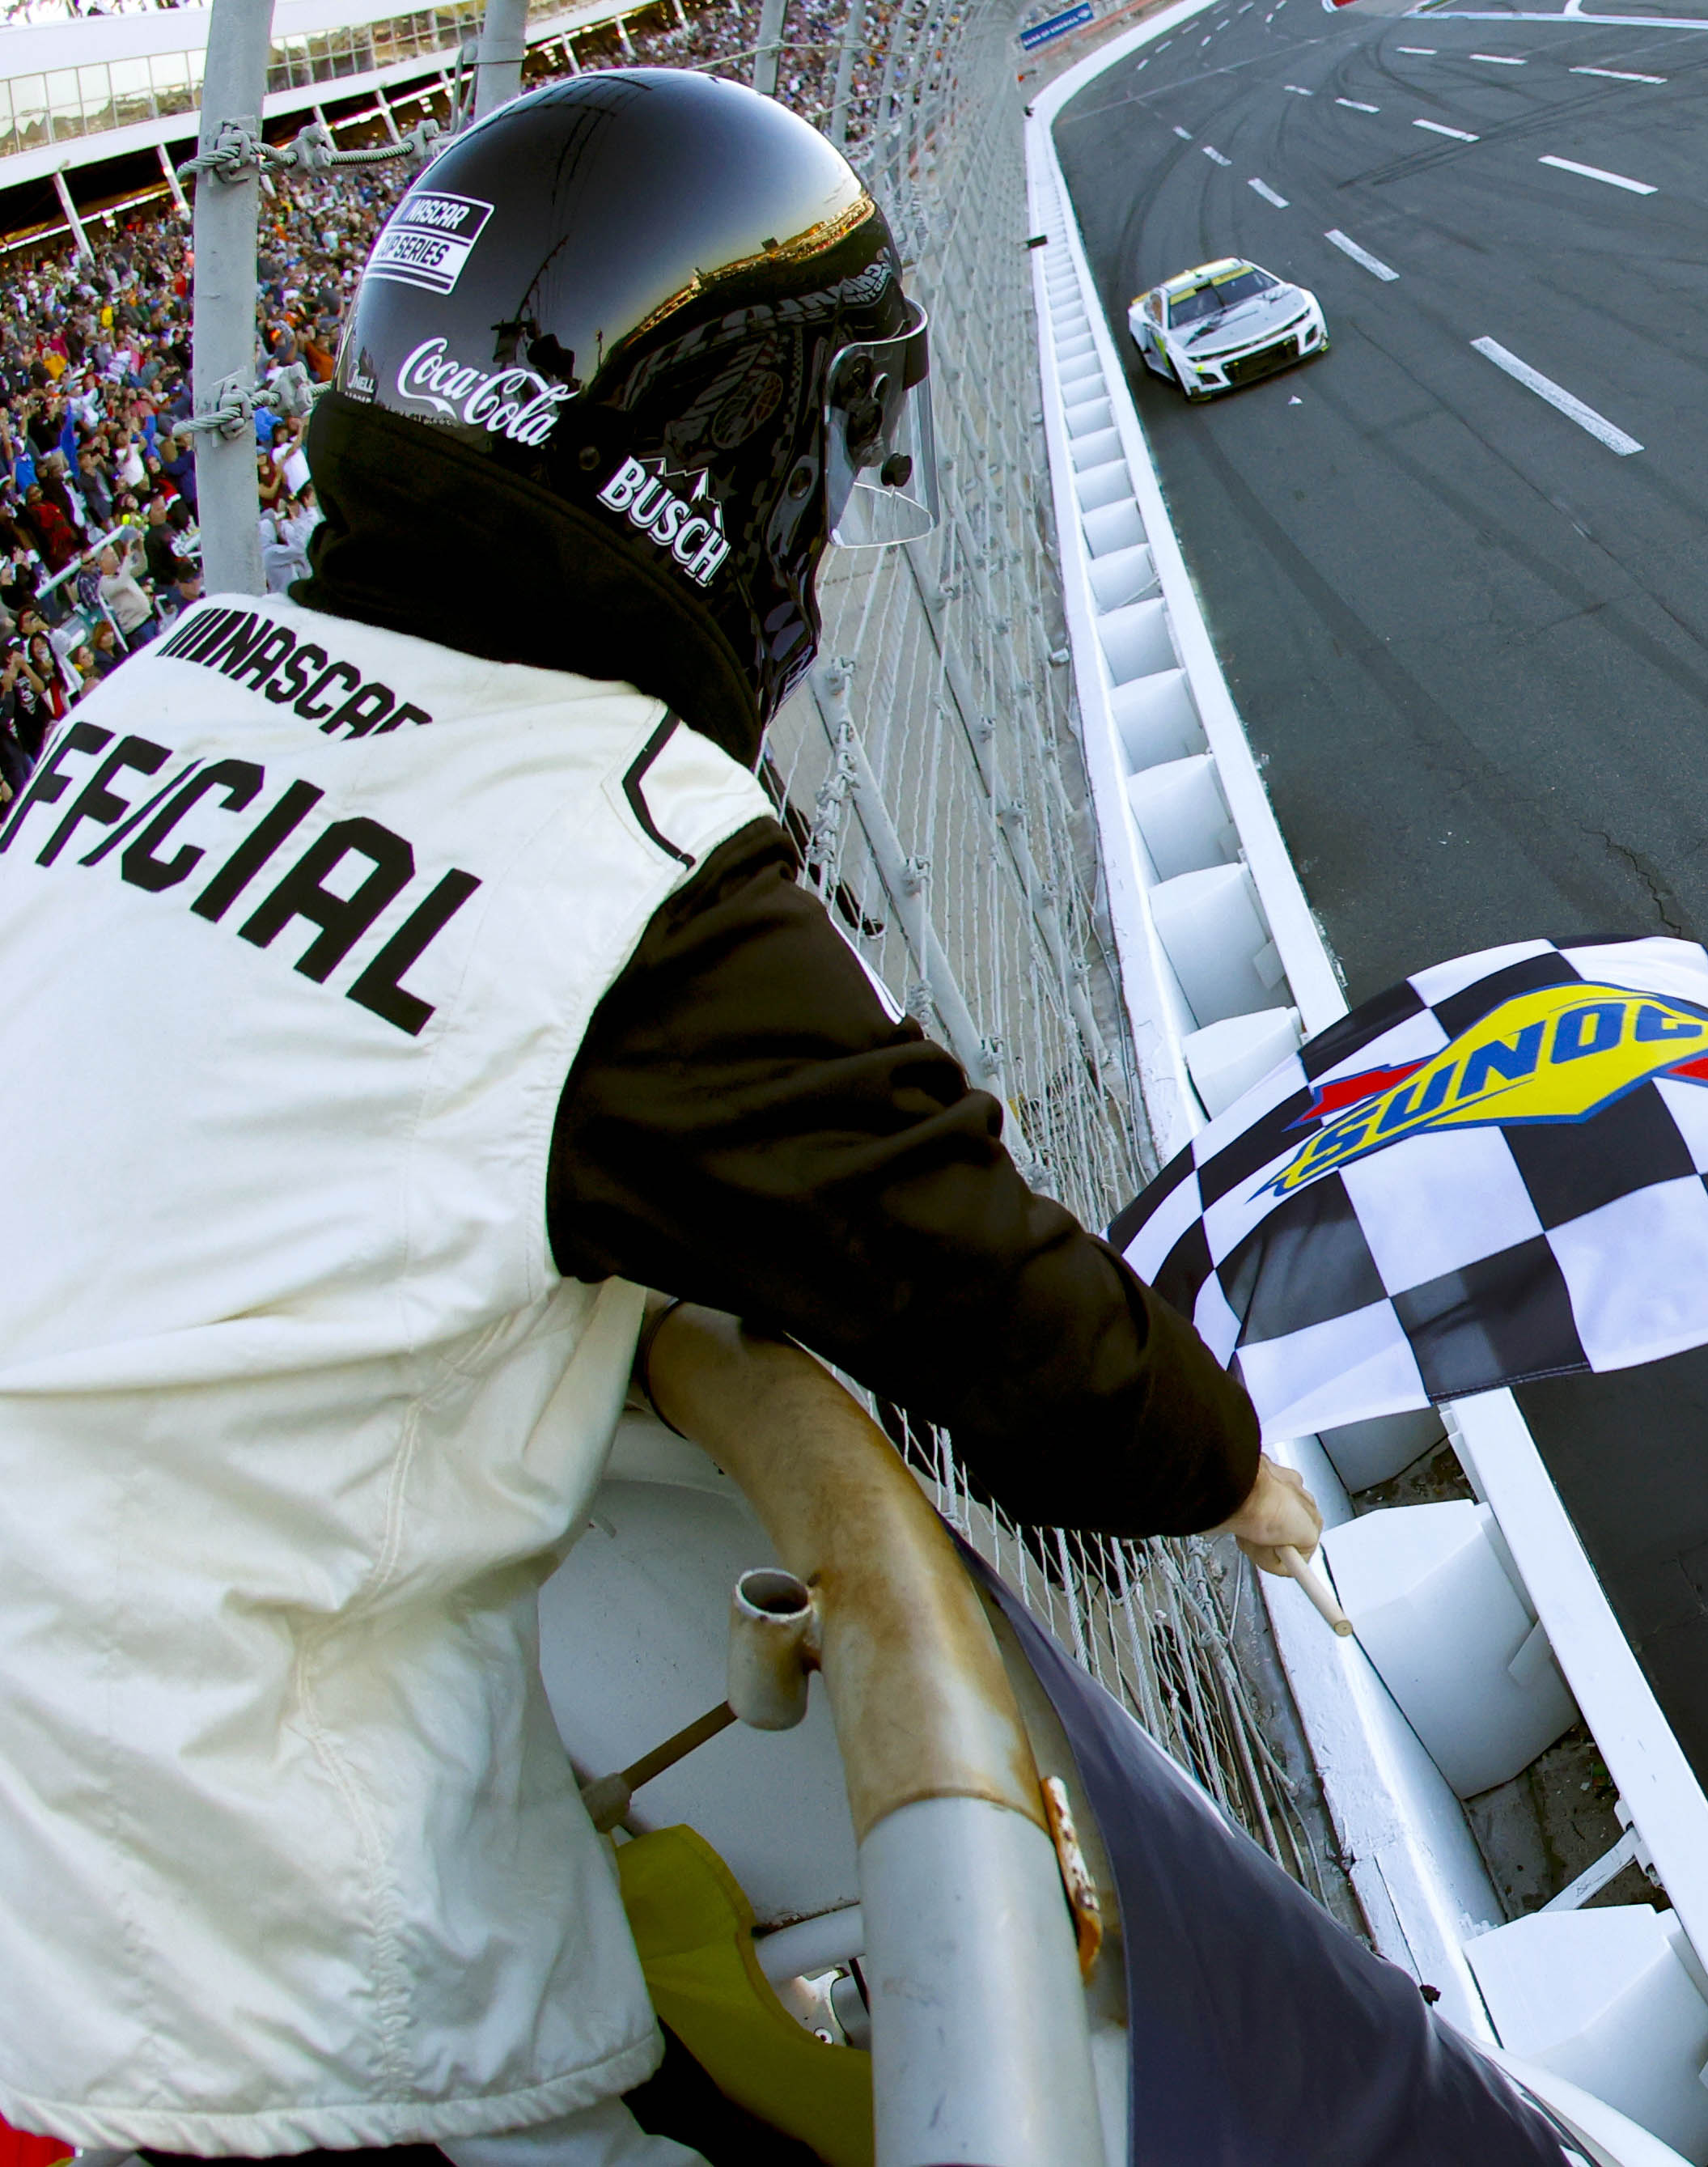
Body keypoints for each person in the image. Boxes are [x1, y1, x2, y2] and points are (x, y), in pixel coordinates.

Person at [0, 69, 1318, 2167]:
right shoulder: (617, 863)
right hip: (197, 1986)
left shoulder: (165, 685)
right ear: (729, 475)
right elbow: (1017, 1330)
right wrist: (1227, 1454)